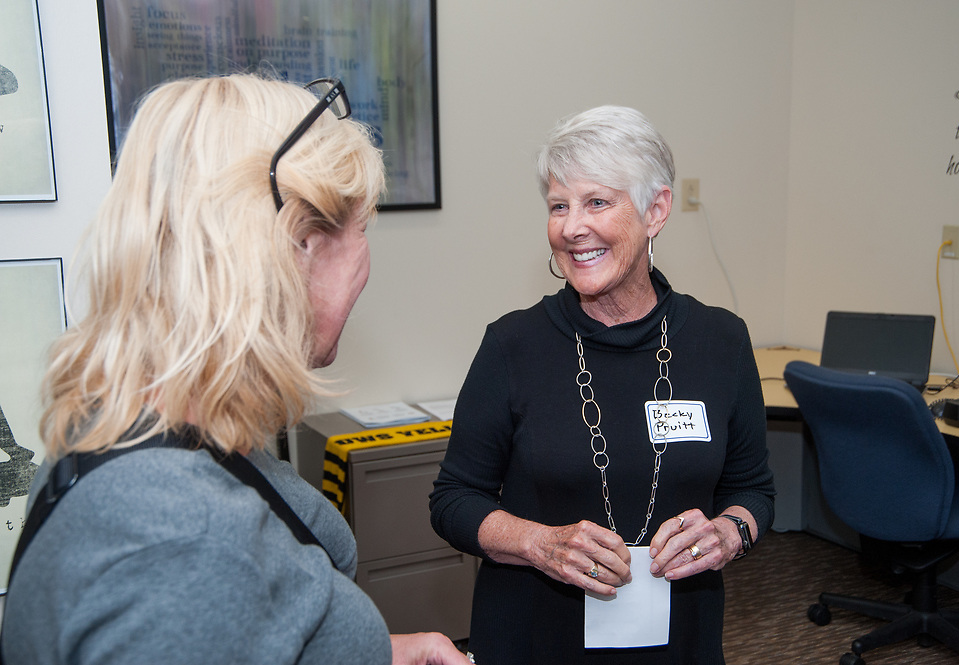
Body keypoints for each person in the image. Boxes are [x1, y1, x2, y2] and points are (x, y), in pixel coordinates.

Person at [1, 74, 467, 665]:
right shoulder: (180, 542)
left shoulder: (132, 427)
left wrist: (381, 652)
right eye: (363, 226)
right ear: (298, 241)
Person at [429, 105, 775, 664]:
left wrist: (731, 532)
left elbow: (753, 490)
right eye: (558, 206)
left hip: (680, 641)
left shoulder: (721, 341)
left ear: (655, 210)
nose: (572, 227)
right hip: (535, 639)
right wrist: (537, 543)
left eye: (597, 202)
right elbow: (453, 501)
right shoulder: (513, 345)